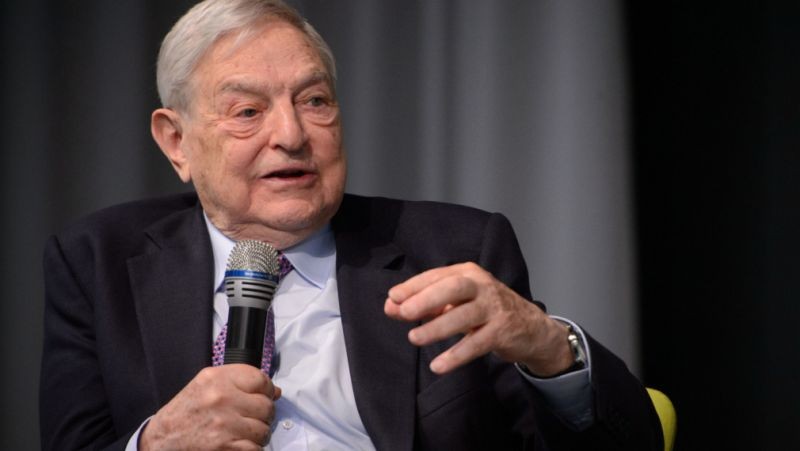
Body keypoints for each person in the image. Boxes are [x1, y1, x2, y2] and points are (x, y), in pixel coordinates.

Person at [39, 0, 662, 450]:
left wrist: (548, 346)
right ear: (176, 142)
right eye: (248, 111)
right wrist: (154, 445)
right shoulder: (96, 260)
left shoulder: (454, 250)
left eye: (314, 101)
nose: (291, 135)